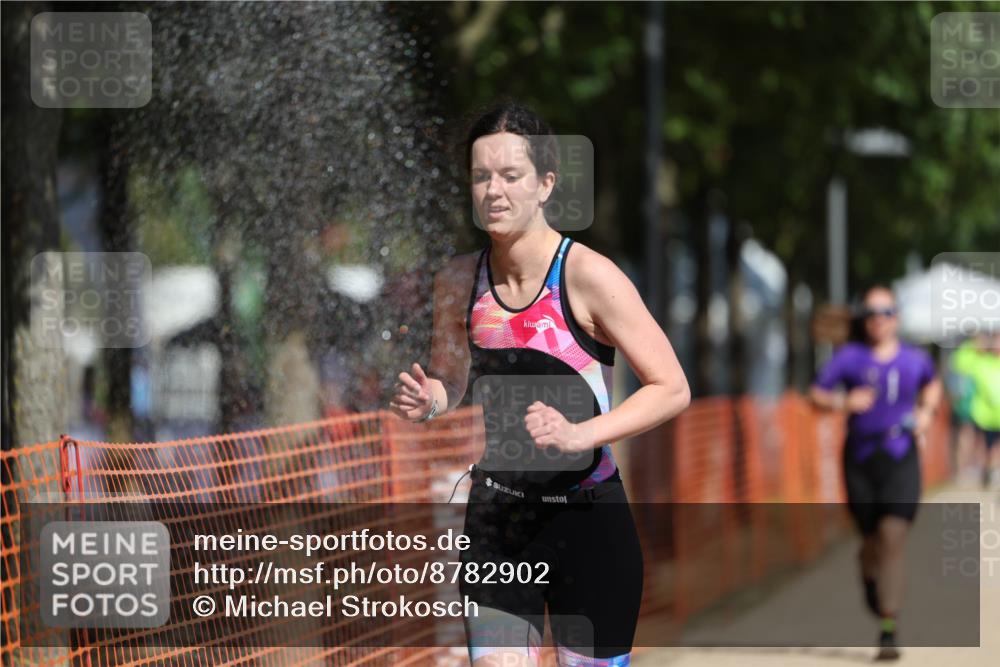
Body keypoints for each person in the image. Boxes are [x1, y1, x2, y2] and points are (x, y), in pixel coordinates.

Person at [389, 101, 690, 666]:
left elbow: (671, 387)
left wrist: (581, 434)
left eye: (511, 176)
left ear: (546, 183)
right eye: (481, 176)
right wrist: (429, 399)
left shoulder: (587, 276)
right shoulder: (458, 281)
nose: (493, 191)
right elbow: (451, 378)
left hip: (587, 519)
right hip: (498, 518)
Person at [809, 285, 942, 661]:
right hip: (860, 460)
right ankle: (868, 571)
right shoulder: (849, 358)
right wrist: (841, 401)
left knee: (893, 537)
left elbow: (932, 385)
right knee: (872, 541)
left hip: (901, 459)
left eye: (885, 311)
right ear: (863, 319)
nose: (878, 319)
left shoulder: (915, 359)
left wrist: (927, 413)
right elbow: (815, 394)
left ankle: (888, 629)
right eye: (871, 312)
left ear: (896, 317)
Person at [952, 332, 1000, 488]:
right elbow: (960, 365)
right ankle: (980, 470)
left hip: (994, 414)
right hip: (982, 414)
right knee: (982, 444)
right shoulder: (980, 361)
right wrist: (974, 344)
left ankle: (991, 470)